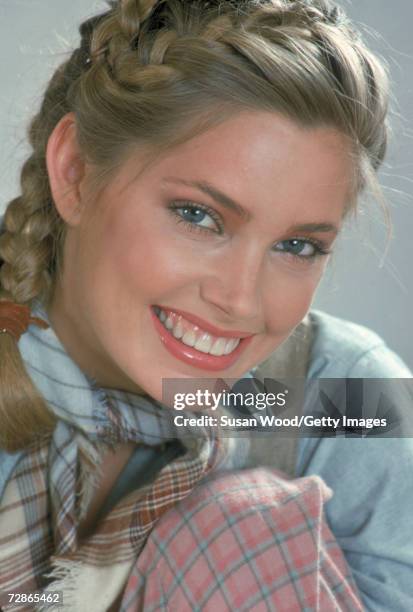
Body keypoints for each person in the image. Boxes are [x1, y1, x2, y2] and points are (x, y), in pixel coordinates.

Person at [0, 0, 412, 610]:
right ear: (76, 170)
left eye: (298, 245)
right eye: (198, 216)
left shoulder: (350, 397)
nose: (240, 300)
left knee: (235, 527)